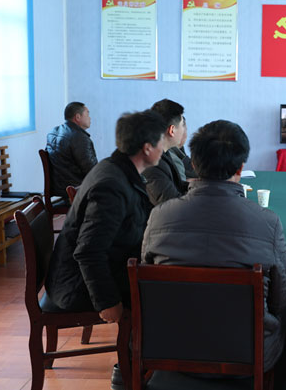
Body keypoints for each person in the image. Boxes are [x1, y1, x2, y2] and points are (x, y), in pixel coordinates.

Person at [142, 119, 286, 375]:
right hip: (245, 351)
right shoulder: (268, 222)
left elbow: (148, 282)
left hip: (171, 345)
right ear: (240, 167)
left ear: (194, 164)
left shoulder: (159, 216)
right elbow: (282, 297)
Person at [44, 110, 166, 322]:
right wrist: (107, 301)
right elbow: (88, 251)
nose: (163, 148)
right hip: (78, 286)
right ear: (147, 148)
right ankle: (139, 343)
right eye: (161, 142)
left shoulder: (117, 169)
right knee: (168, 292)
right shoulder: (111, 186)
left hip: (105, 267)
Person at [46, 101, 98, 199]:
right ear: (78, 117)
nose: (90, 118)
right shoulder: (79, 138)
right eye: (87, 114)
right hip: (75, 190)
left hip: (58, 188)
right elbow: (91, 170)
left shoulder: (52, 132)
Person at [143, 98, 189, 205]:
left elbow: (177, 186)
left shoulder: (162, 153)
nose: (184, 130)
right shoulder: (151, 162)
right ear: (172, 130)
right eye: (182, 125)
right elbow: (171, 203)